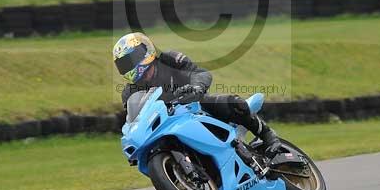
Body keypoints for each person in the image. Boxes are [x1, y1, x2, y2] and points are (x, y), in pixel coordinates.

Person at [113, 32, 281, 154]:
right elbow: (134, 122)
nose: (130, 66)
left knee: (231, 102)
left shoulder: (169, 60)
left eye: (131, 60)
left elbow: (200, 73)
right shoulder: (129, 93)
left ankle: (267, 134)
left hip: (194, 107)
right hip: (167, 125)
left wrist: (197, 88)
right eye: (124, 64)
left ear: (145, 51)